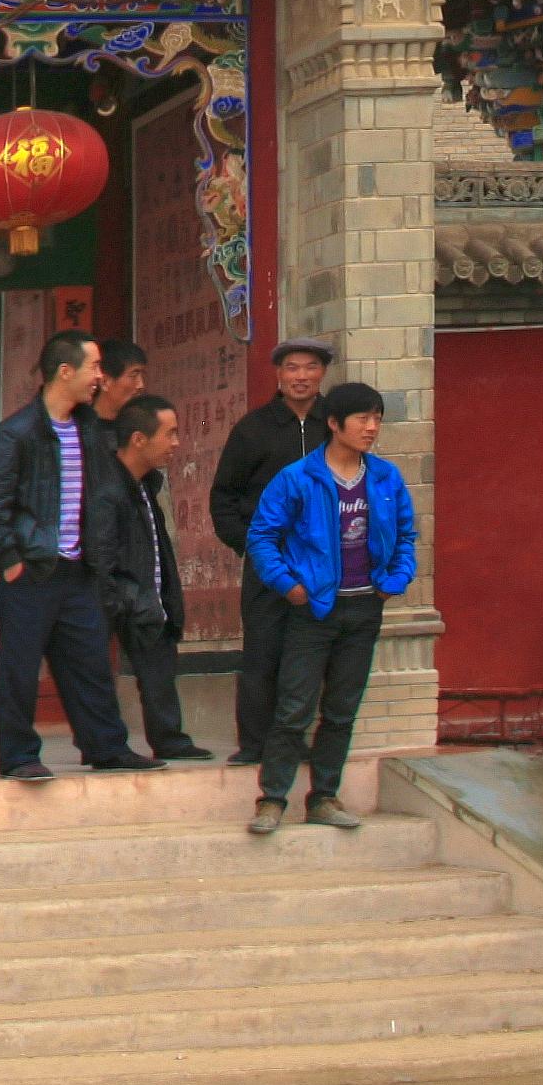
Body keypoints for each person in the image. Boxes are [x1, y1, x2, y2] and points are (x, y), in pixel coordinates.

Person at [0, 328, 151, 779]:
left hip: (77, 570)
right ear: (65, 372)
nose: (100, 377)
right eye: (94, 367)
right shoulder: (17, 434)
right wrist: (9, 561)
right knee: (20, 669)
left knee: (90, 663)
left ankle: (107, 747)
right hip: (29, 573)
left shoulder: (89, 430)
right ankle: (19, 757)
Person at [239, 380, 414, 836]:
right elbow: (262, 537)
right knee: (294, 707)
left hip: (365, 608)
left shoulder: (385, 478)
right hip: (313, 611)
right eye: (362, 418)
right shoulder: (297, 478)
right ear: (334, 423)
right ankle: (272, 799)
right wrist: (289, 586)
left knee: (341, 709)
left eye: (377, 419)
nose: (371, 427)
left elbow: (407, 535)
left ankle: (324, 797)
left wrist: (393, 582)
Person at [205, 342, 338, 769]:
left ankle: (293, 741)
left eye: (310, 368)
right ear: (278, 375)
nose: (301, 376)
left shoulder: (334, 426)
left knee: (310, 654)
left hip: (324, 563)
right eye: (292, 368)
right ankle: (254, 743)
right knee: (262, 651)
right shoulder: (253, 429)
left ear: (322, 373)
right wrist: (249, 544)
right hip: (268, 560)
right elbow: (224, 496)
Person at [106, 394, 200, 762]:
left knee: (159, 669)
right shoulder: (107, 487)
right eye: (170, 434)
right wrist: (120, 596)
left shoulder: (148, 484)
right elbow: (101, 551)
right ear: (138, 439)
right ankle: (107, 747)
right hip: (118, 596)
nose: (176, 443)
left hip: (148, 597)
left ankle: (169, 739)